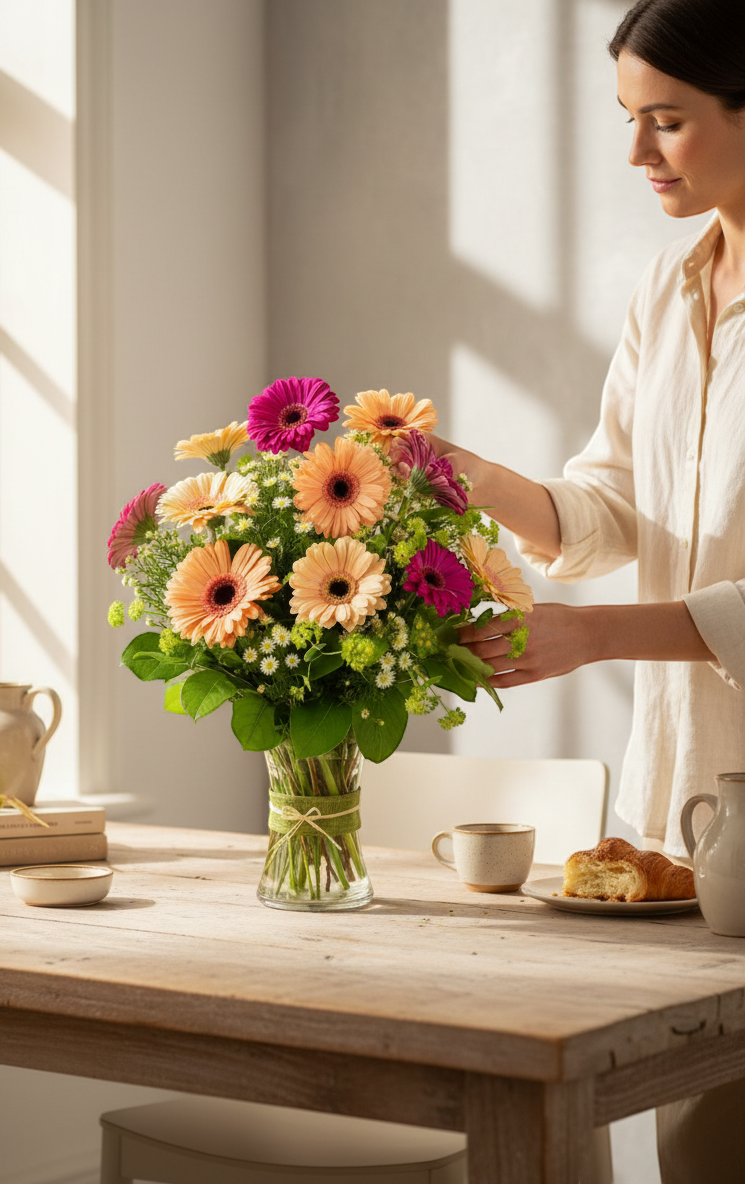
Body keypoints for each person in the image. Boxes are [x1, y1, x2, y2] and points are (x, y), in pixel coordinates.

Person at [433, 2, 745, 1180]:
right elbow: (615, 504)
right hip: (693, 789)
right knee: (700, 1136)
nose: (636, 155)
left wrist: (587, 635)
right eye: (626, 119)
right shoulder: (669, 288)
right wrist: (473, 474)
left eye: (666, 121)